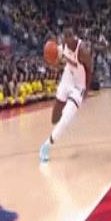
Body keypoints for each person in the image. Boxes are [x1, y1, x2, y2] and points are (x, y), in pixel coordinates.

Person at [39, 29, 93, 162]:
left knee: (65, 118)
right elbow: (55, 58)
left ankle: (46, 145)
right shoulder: (63, 46)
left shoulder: (82, 51)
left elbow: (90, 68)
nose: (67, 40)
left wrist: (86, 90)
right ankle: (64, 125)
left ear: (74, 37)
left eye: (69, 37)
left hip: (79, 86)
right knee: (54, 118)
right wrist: (53, 62)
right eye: (65, 37)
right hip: (67, 78)